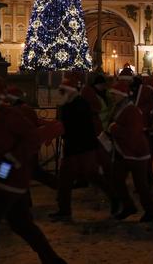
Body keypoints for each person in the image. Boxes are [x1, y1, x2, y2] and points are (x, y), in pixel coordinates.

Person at [0, 73, 66, 264]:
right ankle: (52, 260)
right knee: (21, 224)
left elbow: (31, 137)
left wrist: (9, 163)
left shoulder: (7, 114)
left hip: (9, 177)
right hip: (7, 176)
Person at [49, 73, 115, 221]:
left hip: (82, 148)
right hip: (76, 148)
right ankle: (64, 209)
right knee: (66, 180)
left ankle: (116, 198)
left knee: (91, 176)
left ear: (69, 91)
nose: (60, 94)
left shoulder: (78, 105)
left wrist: (60, 130)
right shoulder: (73, 104)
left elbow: (74, 127)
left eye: (62, 91)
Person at [107, 80, 153, 222]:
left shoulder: (132, 110)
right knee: (116, 180)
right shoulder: (119, 108)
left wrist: (114, 129)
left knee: (141, 185)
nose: (113, 97)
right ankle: (129, 206)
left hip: (137, 153)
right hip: (124, 152)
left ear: (122, 95)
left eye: (115, 94)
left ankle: (151, 211)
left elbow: (133, 132)